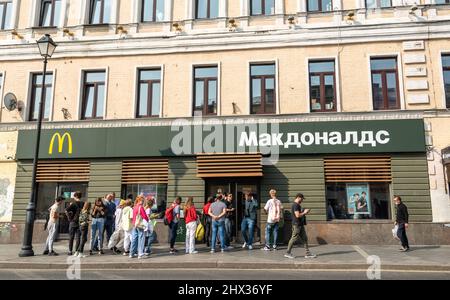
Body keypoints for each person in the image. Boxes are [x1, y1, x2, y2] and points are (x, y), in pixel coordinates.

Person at [284, 193, 316, 259]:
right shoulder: (295, 205)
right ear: (298, 197)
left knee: (305, 238)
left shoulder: (297, 205)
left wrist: (303, 211)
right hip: (297, 224)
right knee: (294, 238)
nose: (302, 200)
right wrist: (305, 212)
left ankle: (308, 253)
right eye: (302, 199)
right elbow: (297, 215)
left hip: (300, 224)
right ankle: (288, 253)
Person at [65, 191, 84, 256]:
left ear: (75, 196)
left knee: (71, 237)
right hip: (80, 221)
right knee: (78, 237)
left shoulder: (73, 203)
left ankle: (70, 251)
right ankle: (76, 251)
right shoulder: (83, 203)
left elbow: (66, 210)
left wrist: (69, 218)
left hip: (73, 221)